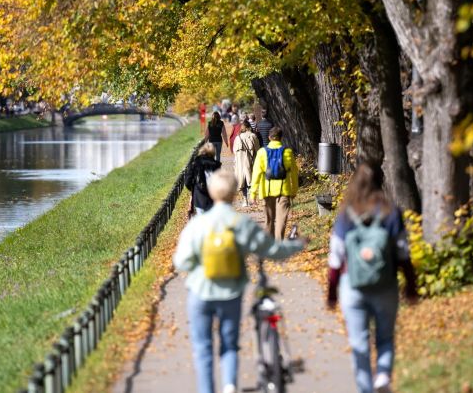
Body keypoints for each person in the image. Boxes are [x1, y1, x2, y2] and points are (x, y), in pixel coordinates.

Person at [174, 171, 304, 393]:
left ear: (212, 192)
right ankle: (230, 385)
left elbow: (182, 261)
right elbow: (272, 249)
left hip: (200, 292)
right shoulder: (240, 223)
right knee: (229, 343)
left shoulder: (198, 224)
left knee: (203, 347)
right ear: (234, 193)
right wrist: (297, 245)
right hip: (231, 292)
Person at [326, 163, 419, 393]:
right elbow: (403, 254)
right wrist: (410, 286)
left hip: (352, 286)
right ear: (380, 181)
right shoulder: (391, 212)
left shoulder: (347, 214)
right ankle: (383, 376)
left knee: (359, 345)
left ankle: (365, 388)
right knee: (385, 338)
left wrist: (332, 293)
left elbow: (335, 259)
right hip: (385, 284)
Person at [250, 127, 298, 240]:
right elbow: (294, 173)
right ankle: (278, 243)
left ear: (269, 138)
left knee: (269, 220)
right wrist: (294, 190)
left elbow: (256, 173)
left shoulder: (262, 152)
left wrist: (253, 193)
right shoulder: (288, 152)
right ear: (281, 138)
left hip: (266, 191)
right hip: (284, 190)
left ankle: (270, 245)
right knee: (281, 219)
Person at [185, 143, 222, 214]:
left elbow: (187, 181)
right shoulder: (216, 165)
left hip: (199, 196)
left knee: (201, 219)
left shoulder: (195, 163)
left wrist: (194, 188)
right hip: (213, 196)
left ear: (201, 151)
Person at [232, 123, 260, 207]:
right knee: (251, 180)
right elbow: (258, 149)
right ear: (249, 127)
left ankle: (245, 200)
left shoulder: (237, 138)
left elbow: (234, 151)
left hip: (240, 163)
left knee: (242, 181)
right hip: (251, 161)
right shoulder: (252, 136)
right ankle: (252, 198)